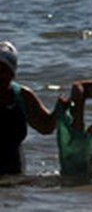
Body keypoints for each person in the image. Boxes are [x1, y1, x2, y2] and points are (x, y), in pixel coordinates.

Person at [0, 42, 57, 175]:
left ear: (12, 73)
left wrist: (59, 110)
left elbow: (45, 127)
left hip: (15, 174)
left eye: (3, 71)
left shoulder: (22, 96)